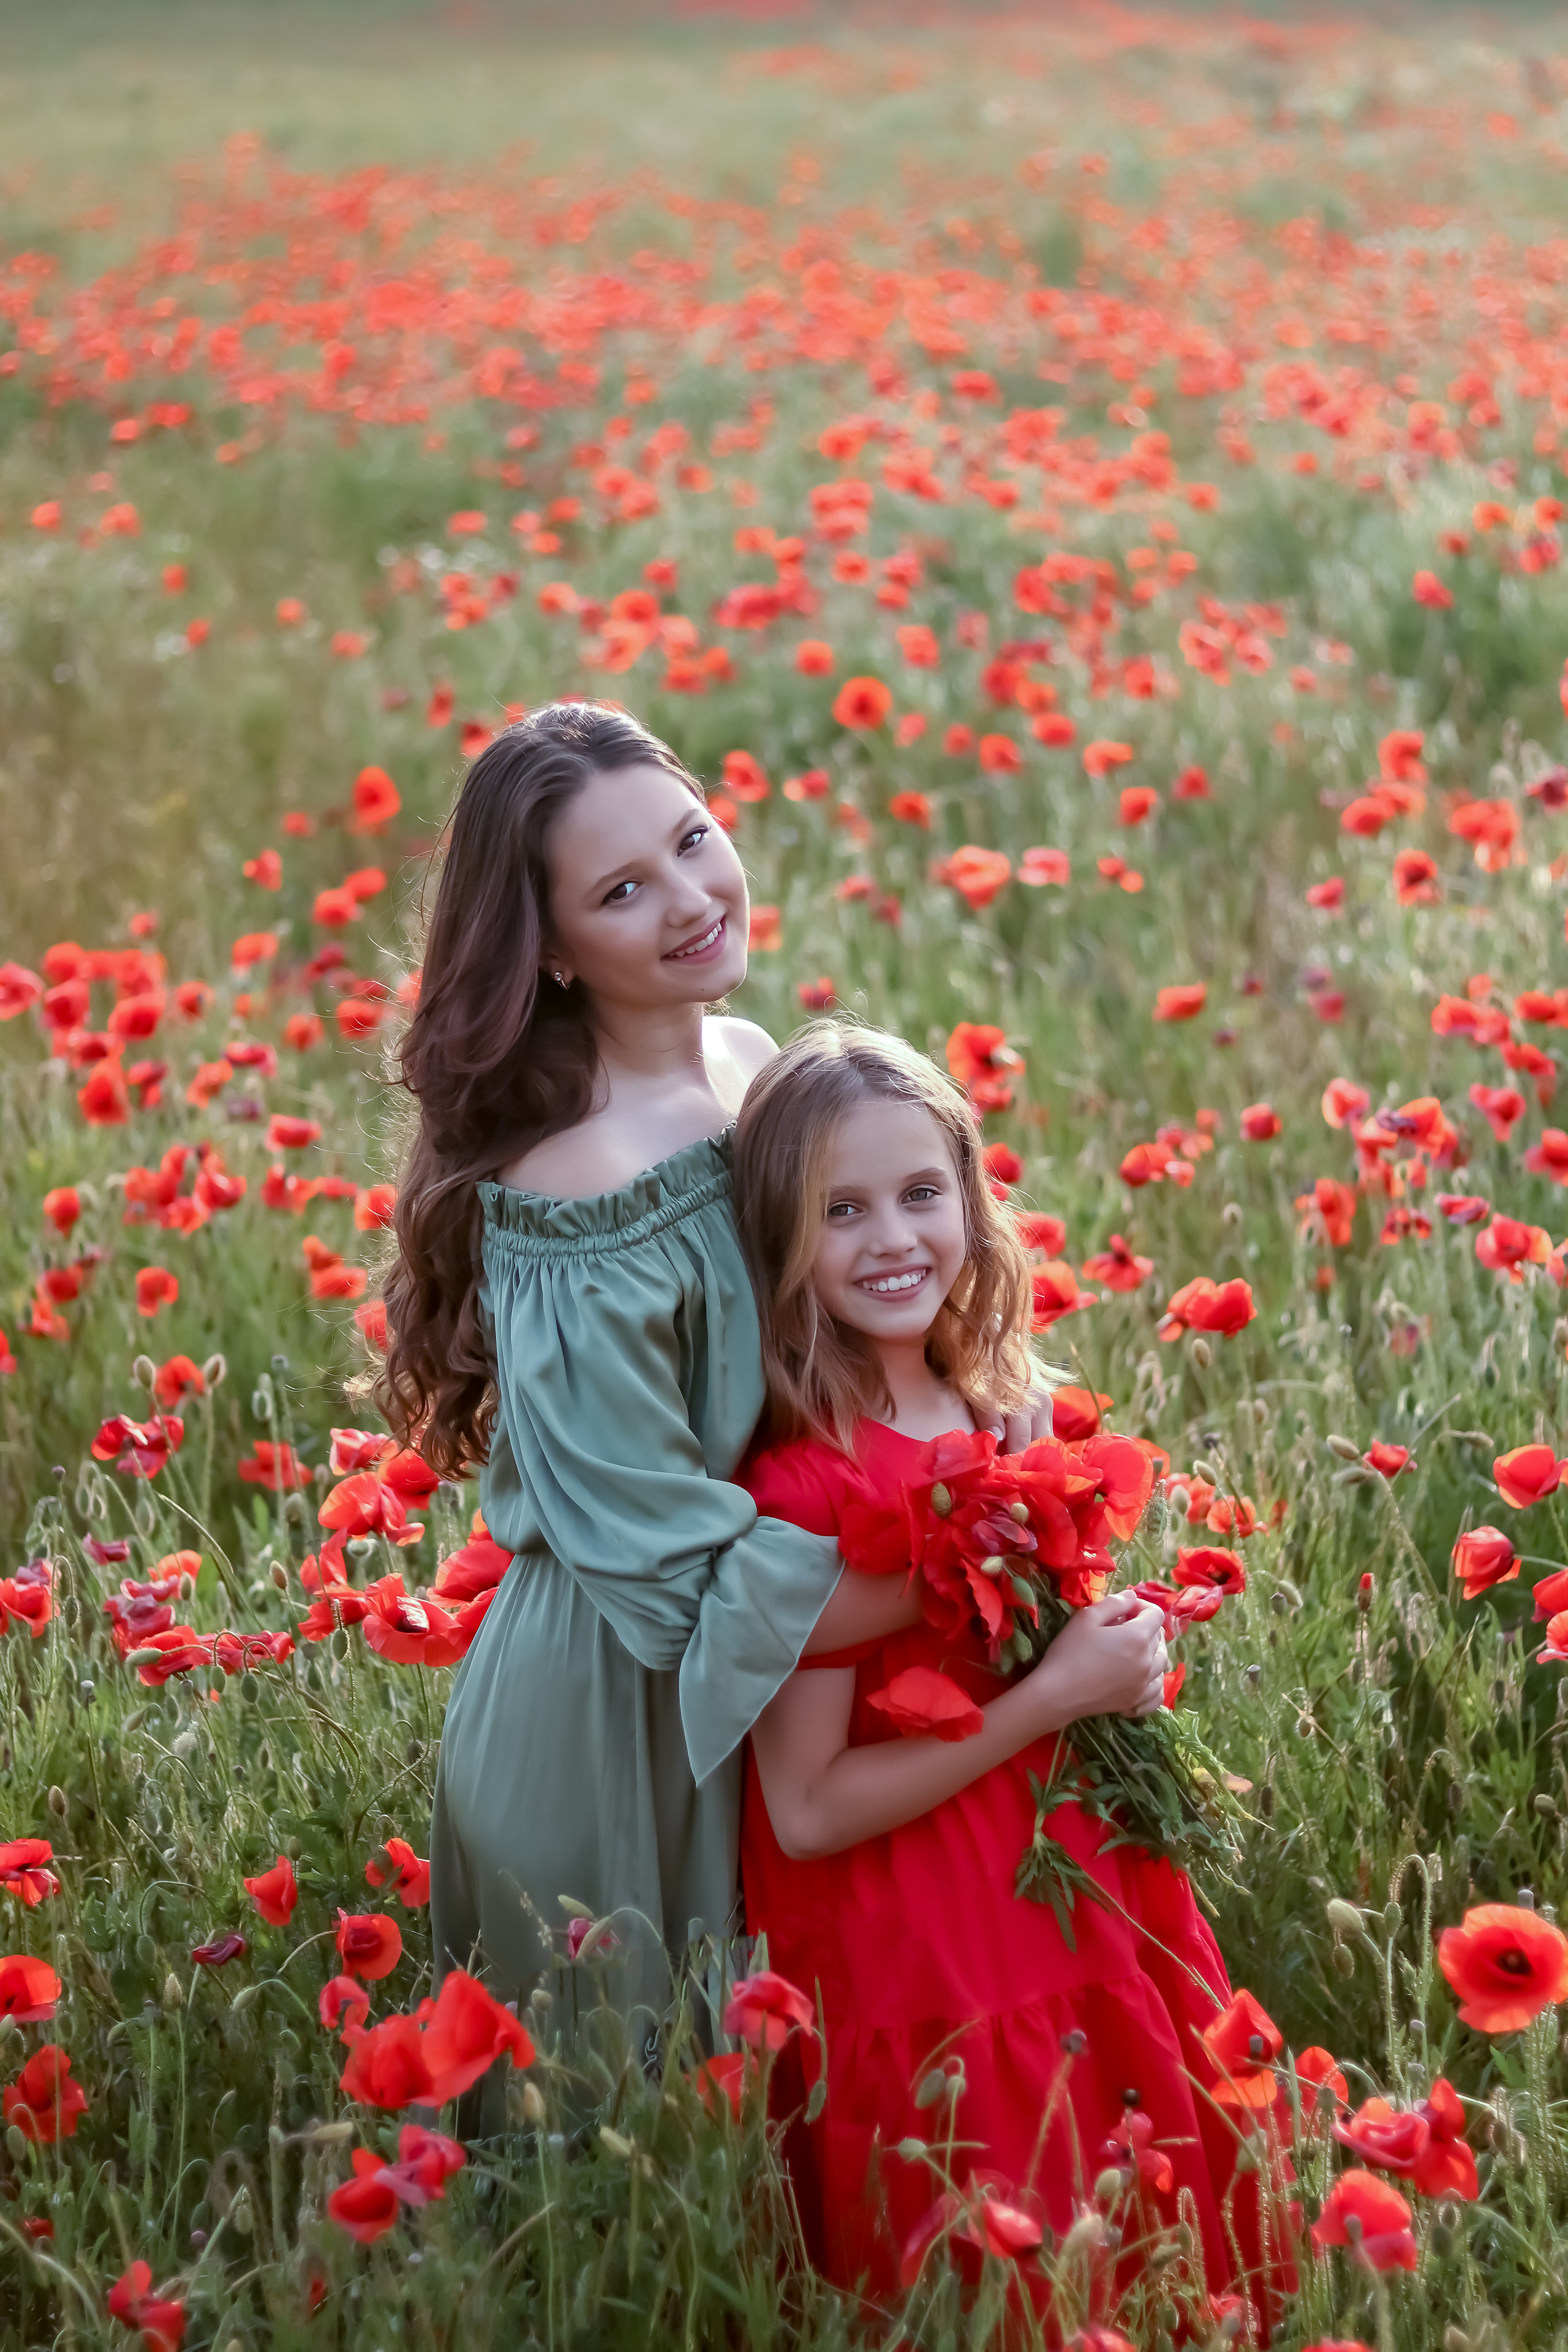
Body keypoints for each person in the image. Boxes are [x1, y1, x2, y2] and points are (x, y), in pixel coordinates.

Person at [377, 706, 1050, 2059]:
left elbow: (843, 1321)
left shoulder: (749, 1068)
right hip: (616, 1716)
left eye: (692, 842)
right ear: (551, 952)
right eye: (622, 891)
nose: (691, 901)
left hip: (783, 1654)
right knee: (624, 2156)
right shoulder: (575, 1182)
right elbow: (669, 1572)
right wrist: (980, 1551)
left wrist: (972, 1434)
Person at [731, 1022, 1250, 2295]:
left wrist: (1105, 1650)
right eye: (839, 1210)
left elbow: (1000, 1641)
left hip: (1064, 1881)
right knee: (998, 2230)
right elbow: (801, 1812)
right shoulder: (798, 1485)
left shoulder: (982, 1401)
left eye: (920, 1194)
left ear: (970, 1196)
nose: (892, 1237)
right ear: (777, 1238)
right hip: (921, 1933)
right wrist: (1050, 1696)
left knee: (1130, 2212)